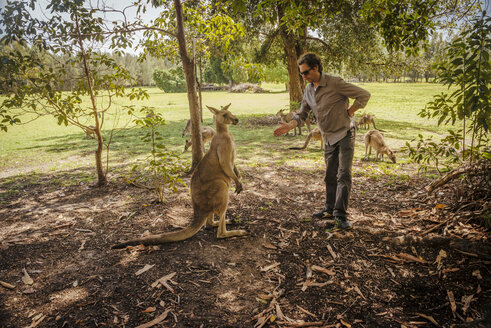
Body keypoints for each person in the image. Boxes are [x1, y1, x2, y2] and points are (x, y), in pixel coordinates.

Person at [274, 53, 371, 229]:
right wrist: (290, 125)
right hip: (328, 137)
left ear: (316, 68)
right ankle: (329, 208)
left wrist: (351, 111)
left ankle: (340, 214)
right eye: (301, 73)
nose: (303, 76)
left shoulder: (335, 83)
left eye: (305, 72)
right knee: (330, 174)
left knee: (343, 174)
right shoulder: (309, 90)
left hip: (344, 134)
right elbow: (302, 114)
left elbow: (364, 94)